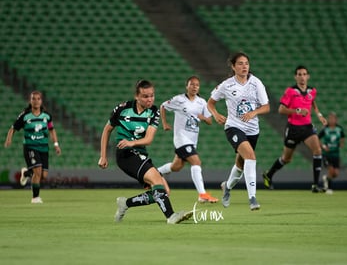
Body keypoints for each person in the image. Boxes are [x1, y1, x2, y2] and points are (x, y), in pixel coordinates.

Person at [98, 80, 193, 224]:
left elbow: (148, 139)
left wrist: (132, 142)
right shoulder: (122, 109)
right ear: (137, 96)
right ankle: (171, 216)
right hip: (125, 154)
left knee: (163, 191)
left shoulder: (153, 111)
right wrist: (103, 156)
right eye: (145, 96)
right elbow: (107, 130)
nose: (149, 99)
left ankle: (126, 203)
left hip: (141, 154)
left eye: (152, 96)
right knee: (157, 181)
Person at [207, 52, 270, 210]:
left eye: (246, 63)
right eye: (240, 64)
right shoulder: (227, 85)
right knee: (250, 156)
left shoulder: (256, 83)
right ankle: (252, 198)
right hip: (234, 127)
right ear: (233, 67)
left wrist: (254, 113)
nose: (244, 67)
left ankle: (227, 187)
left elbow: (266, 107)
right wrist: (215, 115)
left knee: (241, 165)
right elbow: (211, 103)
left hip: (253, 130)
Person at [262, 65, 327, 192]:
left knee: (317, 150)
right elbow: (281, 109)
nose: (302, 77)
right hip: (293, 129)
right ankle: (268, 175)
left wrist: (319, 115)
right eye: (299, 74)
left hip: (307, 127)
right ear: (295, 77)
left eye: (304, 74)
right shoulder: (290, 91)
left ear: (308, 76)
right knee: (286, 159)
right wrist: (297, 110)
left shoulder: (312, 91)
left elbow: (312, 101)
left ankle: (315, 185)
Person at [157, 76, 218, 203]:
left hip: (192, 139)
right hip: (181, 138)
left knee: (176, 166)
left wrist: (202, 118)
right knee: (196, 162)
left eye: (197, 85)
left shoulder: (202, 102)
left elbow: (210, 121)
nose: (195, 87)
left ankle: (156, 173)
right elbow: (163, 106)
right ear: (187, 86)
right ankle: (202, 194)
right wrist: (164, 123)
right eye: (192, 84)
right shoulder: (178, 99)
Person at [4, 91, 62, 203]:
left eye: (38, 99)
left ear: (41, 101)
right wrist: (9, 139)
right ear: (30, 101)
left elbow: (51, 130)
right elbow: (13, 128)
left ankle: (26, 173)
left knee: (43, 176)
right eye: (33, 99)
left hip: (44, 148)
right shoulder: (25, 116)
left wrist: (56, 145)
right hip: (30, 147)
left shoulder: (47, 116)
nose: (36, 101)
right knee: (38, 171)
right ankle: (35, 197)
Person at [318, 112, 345, 194]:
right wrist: (323, 146)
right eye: (330, 118)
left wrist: (341, 144)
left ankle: (326, 178)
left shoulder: (339, 129)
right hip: (327, 154)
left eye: (333, 118)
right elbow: (317, 138)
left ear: (336, 120)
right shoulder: (325, 129)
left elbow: (343, 137)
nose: (332, 120)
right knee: (331, 170)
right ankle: (328, 188)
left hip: (336, 154)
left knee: (336, 173)